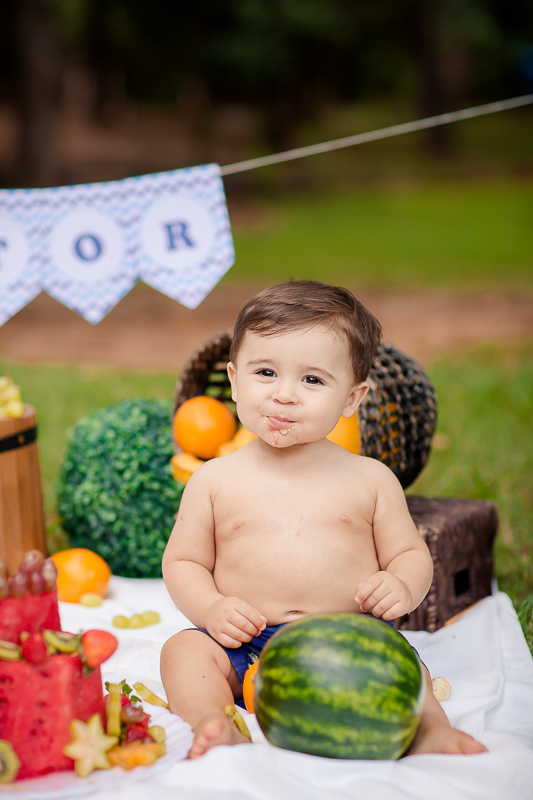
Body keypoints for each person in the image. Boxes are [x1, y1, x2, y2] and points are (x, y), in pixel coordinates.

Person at [161, 280, 487, 759]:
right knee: (183, 653)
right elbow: (183, 562)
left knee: (401, 662)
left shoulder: (371, 479)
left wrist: (401, 584)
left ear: (352, 399)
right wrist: (211, 610)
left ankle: (428, 729)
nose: (285, 395)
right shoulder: (212, 479)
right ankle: (213, 718)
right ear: (233, 381)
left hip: (349, 638)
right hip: (246, 642)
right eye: (266, 372)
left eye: (312, 380)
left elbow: (409, 554)